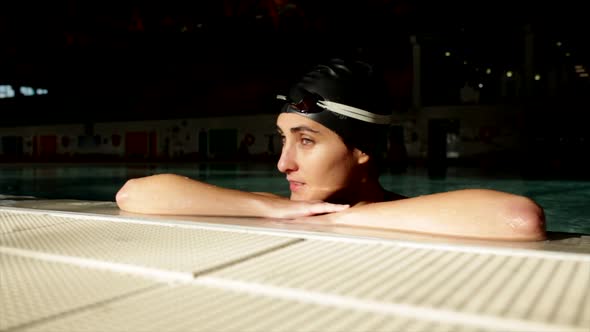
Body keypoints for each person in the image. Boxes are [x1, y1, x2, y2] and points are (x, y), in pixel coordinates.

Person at [116, 58, 546, 241]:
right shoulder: (278, 205)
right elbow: (133, 194)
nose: (284, 163)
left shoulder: (413, 213)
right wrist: (266, 209)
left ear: (362, 148)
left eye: (306, 140)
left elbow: (518, 219)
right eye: (283, 139)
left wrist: (347, 217)